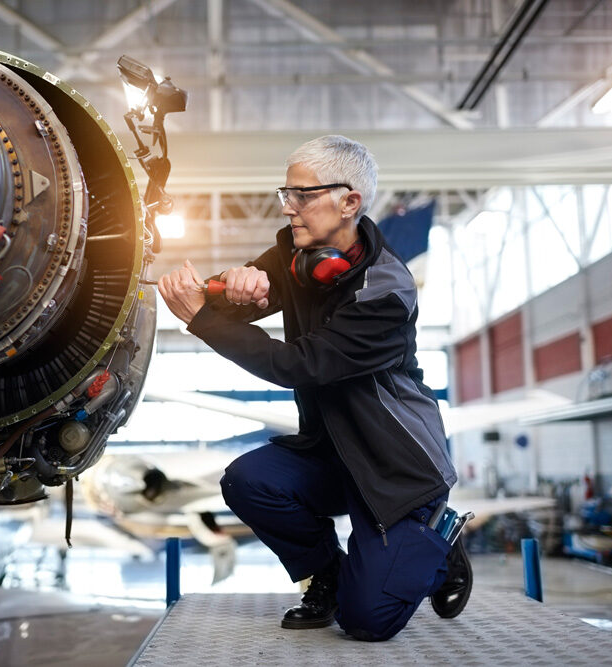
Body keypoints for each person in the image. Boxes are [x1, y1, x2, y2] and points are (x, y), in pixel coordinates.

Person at [156, 135, 471, 641]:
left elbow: (299, 365)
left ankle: (438, 541)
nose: (288, 208)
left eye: (302, 195)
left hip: (394, 467)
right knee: (248, 479)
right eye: (287, 193)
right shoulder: (296, 253)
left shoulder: (386, 292)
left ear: (349, 201)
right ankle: (326, 575)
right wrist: (232, 284)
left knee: (367, 623)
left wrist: (202, 318)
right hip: (332, 453)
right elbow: (252, 293)